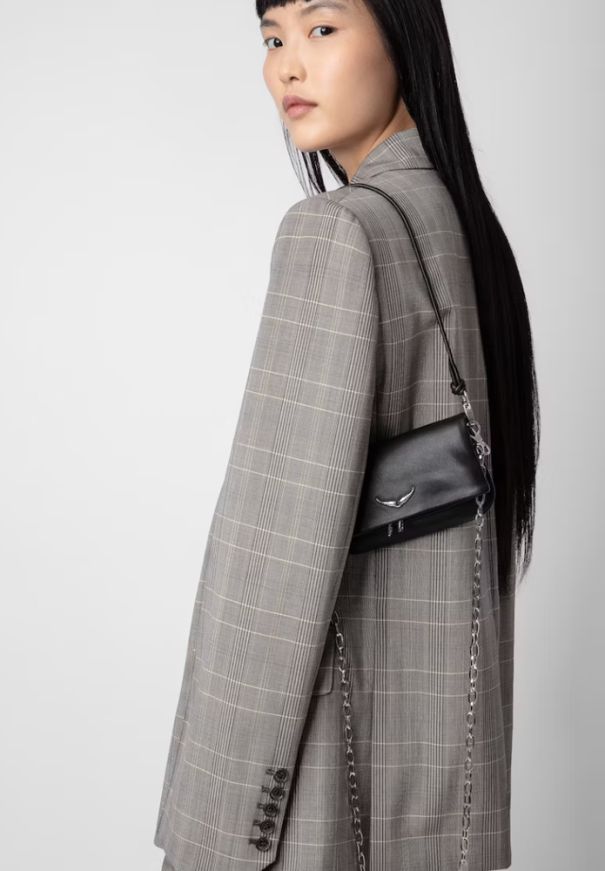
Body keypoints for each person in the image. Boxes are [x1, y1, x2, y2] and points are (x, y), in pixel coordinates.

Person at [153, 1, 540, 869]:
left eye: (321, 28)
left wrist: (214, 826)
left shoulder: (335, 230)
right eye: (272, 37)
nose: (287, 66)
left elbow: (272, 563)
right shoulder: (463, 226)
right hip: (442, 809)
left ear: (403, 36)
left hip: (326, 797)